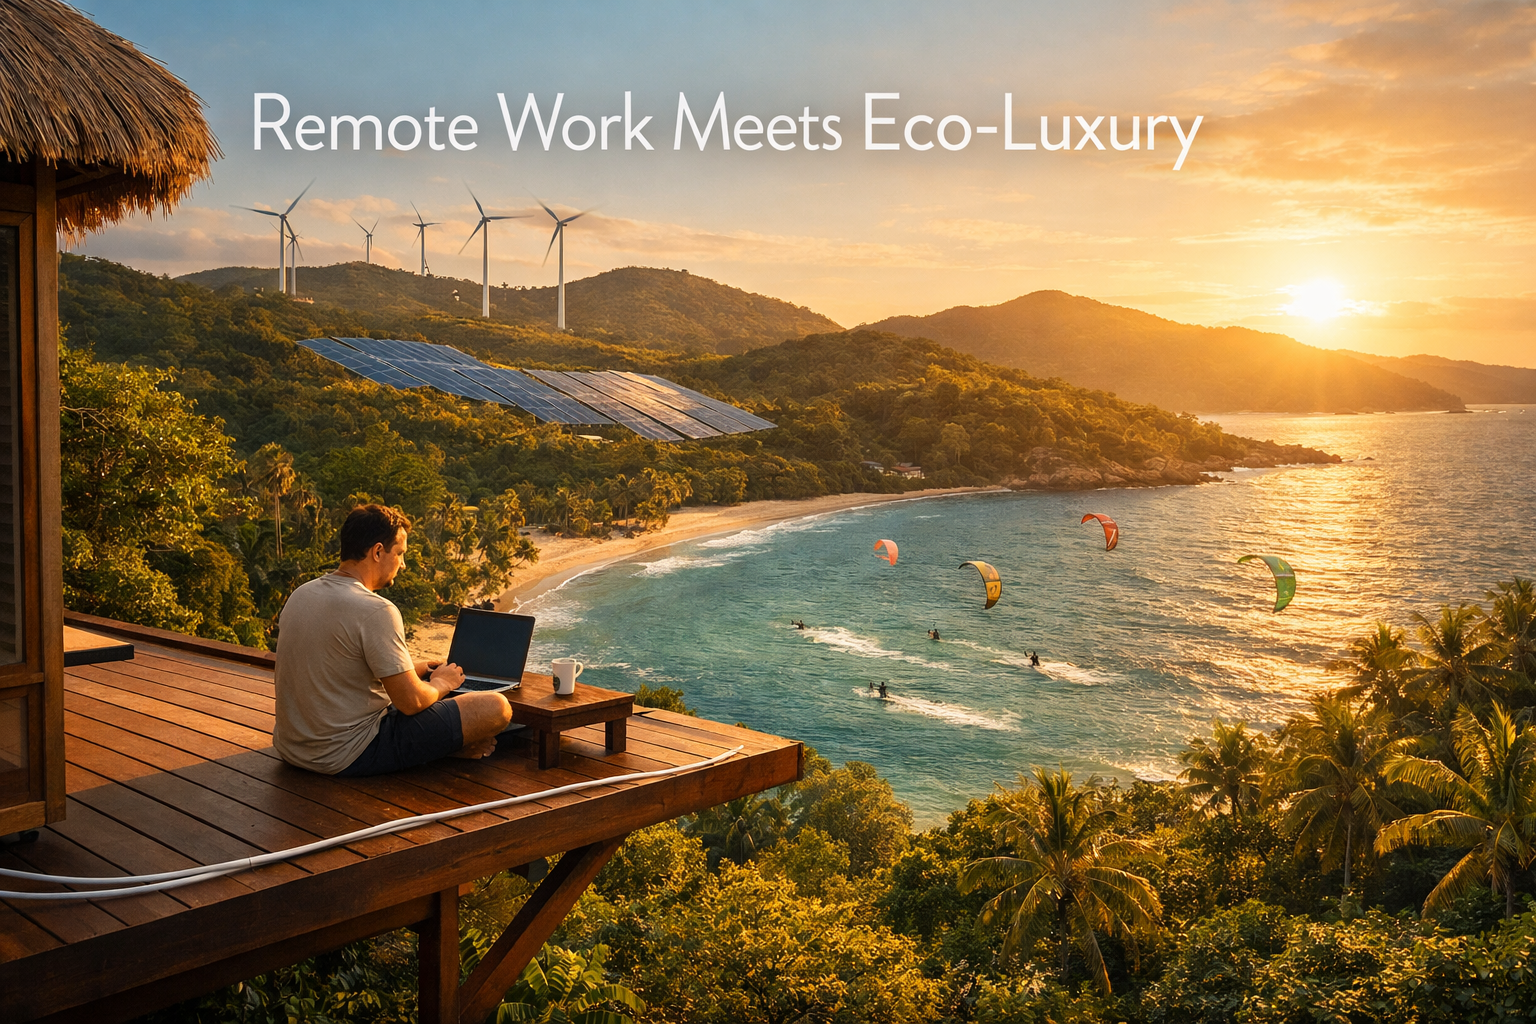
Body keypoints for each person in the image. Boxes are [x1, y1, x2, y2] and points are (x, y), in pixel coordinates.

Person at [273, 504, 513, 776]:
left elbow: (340, 667)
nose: (403, 564)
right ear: (377, 552)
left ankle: (450, 746)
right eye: (399, 553)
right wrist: (441, 683)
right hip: (350, 752)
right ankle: (449, 749)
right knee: (496, 707)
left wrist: (417, 668)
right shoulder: (376, 609)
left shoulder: (301, 595)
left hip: (294, 750)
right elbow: (410, 702)